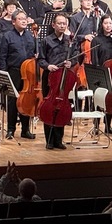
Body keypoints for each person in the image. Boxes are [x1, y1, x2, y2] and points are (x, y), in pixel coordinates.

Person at [37, 12, 75, 149]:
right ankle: (49, 140)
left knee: (62, 107)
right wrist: (48, 66)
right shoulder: (46, 41)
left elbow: (76, 56)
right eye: (59, 23)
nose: (62, 26)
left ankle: (59, 140)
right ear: (53, 25)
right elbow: (40, 59)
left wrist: (71, 63)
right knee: (49, 107)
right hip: (50, 77)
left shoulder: (70, 41)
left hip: (64, 77)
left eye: (64, 23)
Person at [0, 10, 38, 140]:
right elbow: (2, 57)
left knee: (27, 100)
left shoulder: (30, 36)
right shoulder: (7, 36)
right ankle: (11, 129)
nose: (23, 21)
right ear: (13, 21)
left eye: (25, 18)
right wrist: (4, 74)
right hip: (14, 72)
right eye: (20, 19)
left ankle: (25, 130)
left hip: (29, 73)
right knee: (12, 101)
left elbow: (35, 53)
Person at [91, 14, 112, 135]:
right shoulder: (96, 40)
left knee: (111, 100)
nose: (108, 26)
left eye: (110, 23)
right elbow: (94, 59)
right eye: (106, 23)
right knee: (99, 100)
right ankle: (96, 126)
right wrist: (97, 73)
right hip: (101, 73)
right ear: (102, 25)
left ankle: (108, 126)